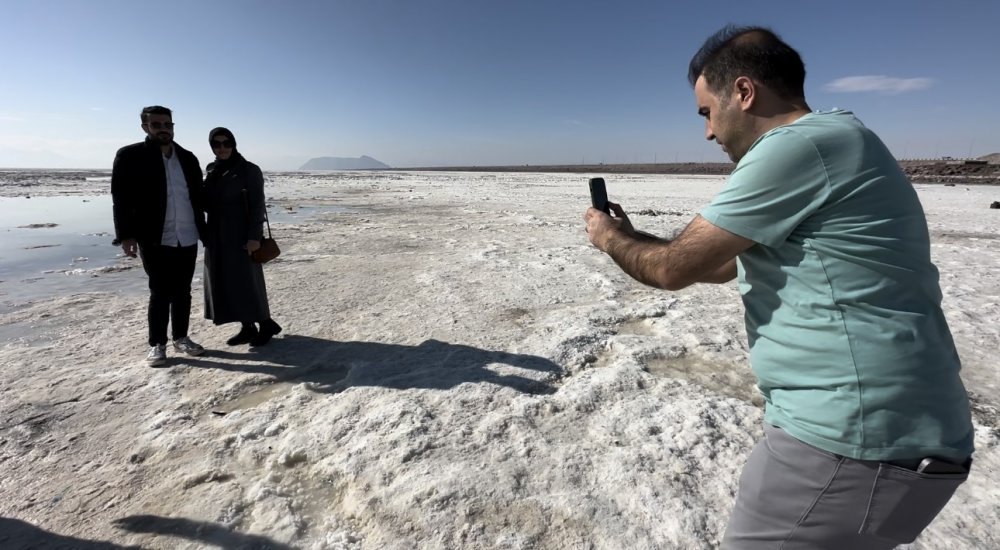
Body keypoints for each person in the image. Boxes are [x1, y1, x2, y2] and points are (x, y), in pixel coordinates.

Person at [583, 25, 974, 549]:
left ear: (744, 93)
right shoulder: (839, 141)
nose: (707, 133)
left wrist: (610, 239)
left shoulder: (798, 146)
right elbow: (715, 264)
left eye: (706, 112)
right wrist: (632, 235)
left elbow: (673, 268)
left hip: (849, 443)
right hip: (895, 441)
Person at [112, 105, 207, 366]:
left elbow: (198, 196)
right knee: (160, 290)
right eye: (157, 125)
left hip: (187, 234)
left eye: (168, 124)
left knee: (183, 290)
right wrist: (126, 236)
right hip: (154, 236)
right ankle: (157, 343)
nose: (164, 129)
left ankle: (181, 337)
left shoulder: (187, 157)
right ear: (146, 127)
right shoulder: (130, 156)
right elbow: (121, 199)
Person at [202, 127, 281, 347]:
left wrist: (254, 237)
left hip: (242, 234)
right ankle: (247, 327)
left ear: (233, 144)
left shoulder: (249, 170)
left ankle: (266, 324)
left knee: (248, 281)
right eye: (217, 144)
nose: (222, 148)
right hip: (217, 235)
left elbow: (257, 206)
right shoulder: (212, 170)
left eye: (226, 143)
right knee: (227, 282)